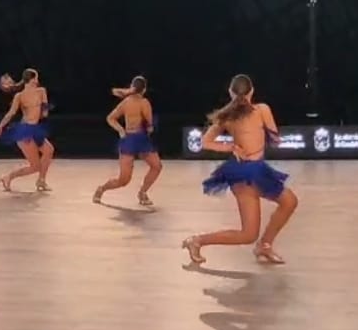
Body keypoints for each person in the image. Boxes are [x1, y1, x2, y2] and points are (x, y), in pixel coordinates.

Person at [182, 74, 299, 265]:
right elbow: (275, 138)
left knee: (289, 201)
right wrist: (241, 144)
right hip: (245, 174)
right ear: (252, 91)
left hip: (256, 170)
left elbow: (205, 142)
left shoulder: (231, 115)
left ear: (231, 92)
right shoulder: (260, 110)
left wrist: (230, 146)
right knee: (248, 234)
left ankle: (265, 245)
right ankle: (197, 241)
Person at [93, 76, 162, 206]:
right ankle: (104, 189)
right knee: (129, 177)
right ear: (144, 89)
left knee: (128, 178)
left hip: (134, 139)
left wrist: (121, 130)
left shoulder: (127, 102)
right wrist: (149, 127)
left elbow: (110, 118)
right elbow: (149, 126)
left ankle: (142, 193)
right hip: (136, 140)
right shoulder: (143, 103)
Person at [0, 68, 54, 191]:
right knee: (35, 166)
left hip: (35, 129)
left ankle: (41, 180)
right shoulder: (19, 96)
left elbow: (44, 113)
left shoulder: (41, 91)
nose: (38, 80)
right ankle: (8, 177)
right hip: (25, 130)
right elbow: (10, 114)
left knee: (49, 150)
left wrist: (43, 108)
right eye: (36, 77)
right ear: (32, 80)